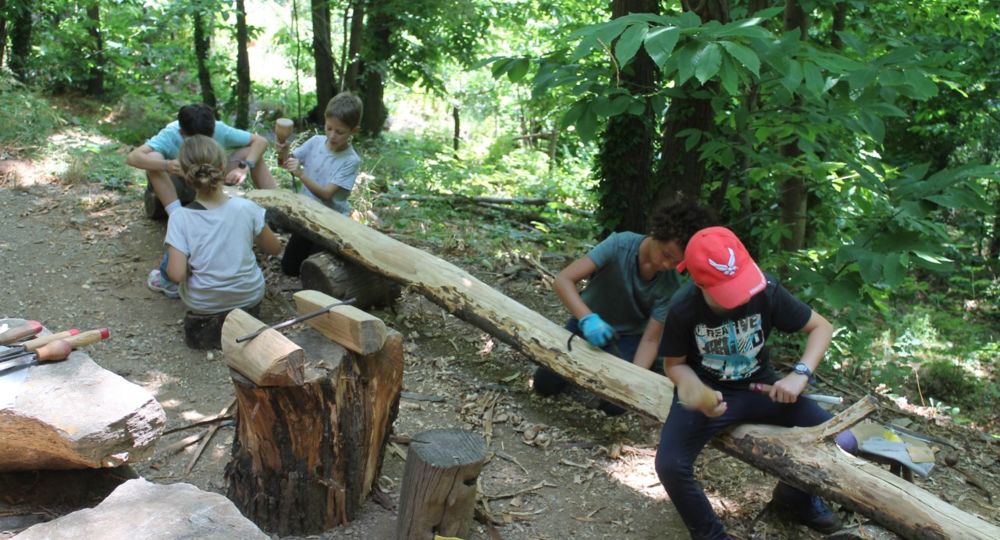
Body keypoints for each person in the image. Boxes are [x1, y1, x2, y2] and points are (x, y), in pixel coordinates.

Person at [654, 226, 857, 540]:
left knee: (843, 441)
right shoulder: (684, 307)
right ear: (699, 283)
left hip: (760, 388)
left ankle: (793, 500)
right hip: (713, 394)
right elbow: (675, 365)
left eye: (742, 285)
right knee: (669, 465)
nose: (742, 298)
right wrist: (696, 391)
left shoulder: (766, 290)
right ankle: (710, 535)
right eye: (728, 292)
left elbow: (821, 327)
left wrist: (799, 374)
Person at [532, 202, 716, 415]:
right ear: (656, 233)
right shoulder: (619, 245)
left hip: (626, 338)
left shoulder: (671, 285)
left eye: (676, 262)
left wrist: (633, 377)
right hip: (586, 324)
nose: (668, 266)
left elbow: (650, 340)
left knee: (617, 404)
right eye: (666, 255)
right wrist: (588, 319)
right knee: (544, 383)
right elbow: (563, 280)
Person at [127, 103, 278, 297]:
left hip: (212, 182)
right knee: (153, 156)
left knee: (250, 152)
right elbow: (133, 157)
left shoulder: (219, 129)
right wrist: (166, 165)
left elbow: (260, 142)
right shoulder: (171, 133)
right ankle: (174, 211)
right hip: (180, 184)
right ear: (182, 132)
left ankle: (278, 206)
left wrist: (244, 166)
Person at [162, 135, 281, 327]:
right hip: (249, 296)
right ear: (223, 166)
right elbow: (274, 248)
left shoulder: (180, 217)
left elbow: (176, 275)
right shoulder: (246, 207)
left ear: (183, 172)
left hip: (203, 303)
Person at [277, 91, 363, 276]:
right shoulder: (315, 142)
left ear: (354, 130)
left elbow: (326, 194)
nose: (332, 135)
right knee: (289, 269)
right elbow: (285, 163)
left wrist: (301, 174)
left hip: (330, 224)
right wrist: (283, 152)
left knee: (315, 270)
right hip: (307, 216)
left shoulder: (350, 160)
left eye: (340, 132)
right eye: (329, 128)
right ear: (325, 120)